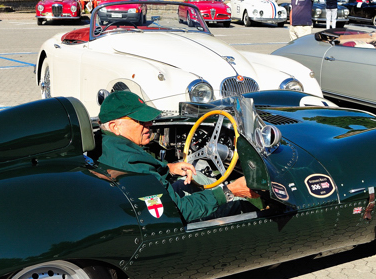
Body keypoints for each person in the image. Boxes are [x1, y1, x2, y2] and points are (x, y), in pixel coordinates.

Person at [97, 90, 258, 222]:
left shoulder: (110, 146)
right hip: (169, 217)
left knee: (195, 181)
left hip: (138, 204)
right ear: (115, 126)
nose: (150, 124)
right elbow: (178, 211)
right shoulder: (131, 161)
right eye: (141, 120)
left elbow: (145, 169)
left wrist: (169, 168)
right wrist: (230, 192)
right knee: (241, 207)